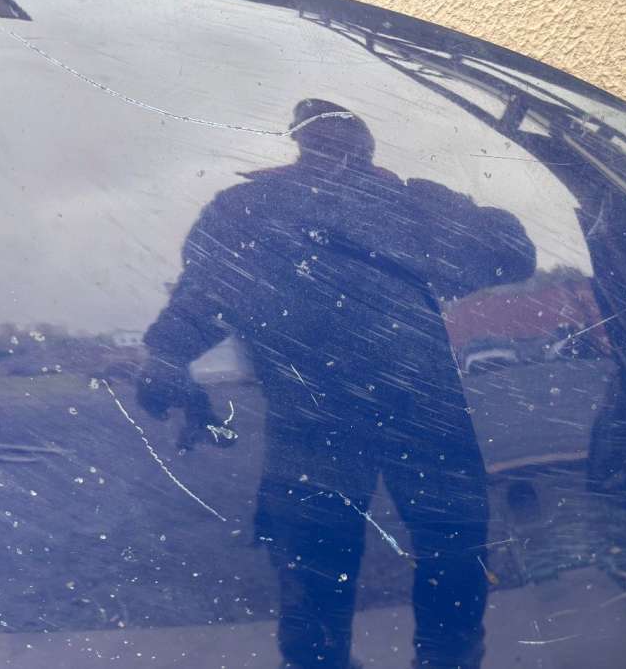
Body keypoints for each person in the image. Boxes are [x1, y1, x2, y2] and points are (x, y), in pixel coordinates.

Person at [136, 99, 536, 669]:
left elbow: (513, 256)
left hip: (359, 414)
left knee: (387, 556)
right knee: (382, 556)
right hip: (375, 413)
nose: (334, 152)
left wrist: (166, 356)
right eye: (324, 138)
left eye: (340, 139)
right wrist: (166, 354)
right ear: (308, 143)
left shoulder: (273, 206)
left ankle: (423, 660)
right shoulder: (266, 207)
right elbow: (206, 294)